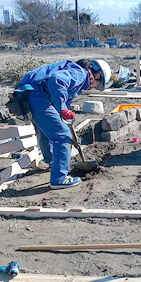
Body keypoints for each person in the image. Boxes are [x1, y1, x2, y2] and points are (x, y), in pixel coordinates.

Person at [16, 59, 112, 189]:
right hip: (37, 95)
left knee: (46, 132)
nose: (93, 87)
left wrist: (63, 113)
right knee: (62, 136)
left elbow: (62, 93)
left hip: (30, 95)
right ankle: (59, 179)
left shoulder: (75, 74)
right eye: (97, 84)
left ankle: (51, 162)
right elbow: (57, 80)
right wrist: (62, 109)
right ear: (97, 75)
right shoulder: (81, 74)